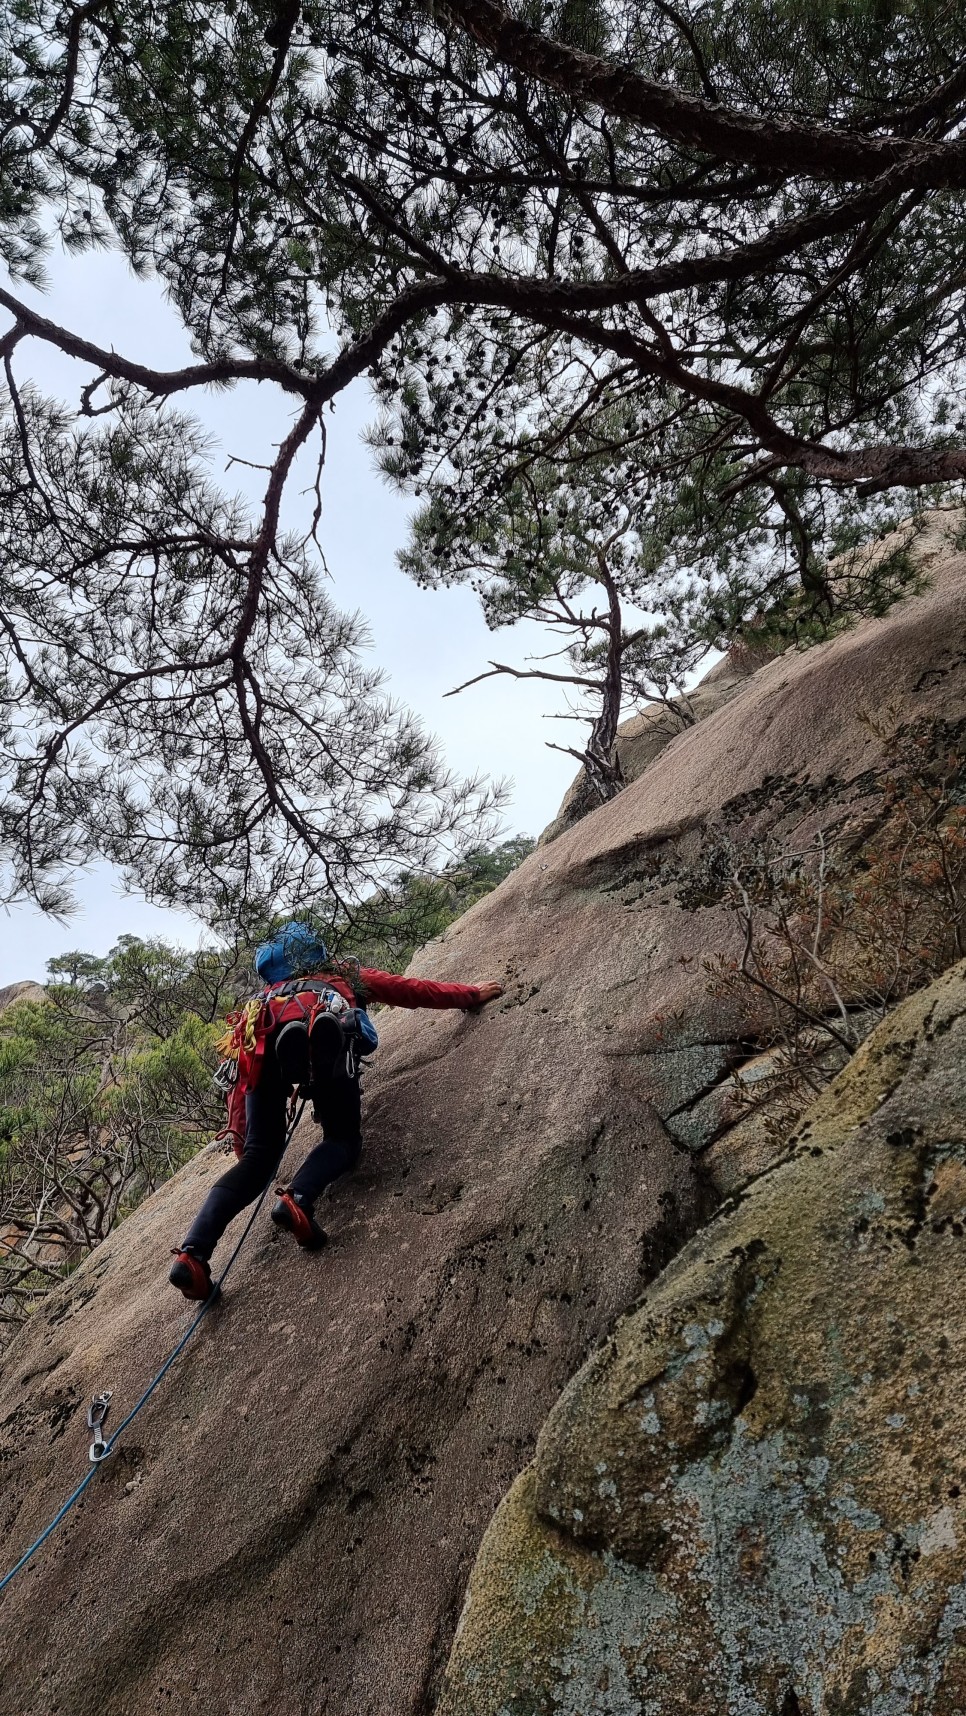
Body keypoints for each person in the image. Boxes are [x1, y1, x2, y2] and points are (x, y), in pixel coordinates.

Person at [169, 922, 503, 1300]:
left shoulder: (264, 999)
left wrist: (247, 1150)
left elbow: (241, 1080)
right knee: (343, 1138)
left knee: (258, 1163)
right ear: (317, 951)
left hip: (263, 1047)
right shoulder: (342, 974)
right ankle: (296, 1200)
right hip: (325, 1038)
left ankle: (192, 1254)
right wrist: (469, 994)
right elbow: (410, 990)